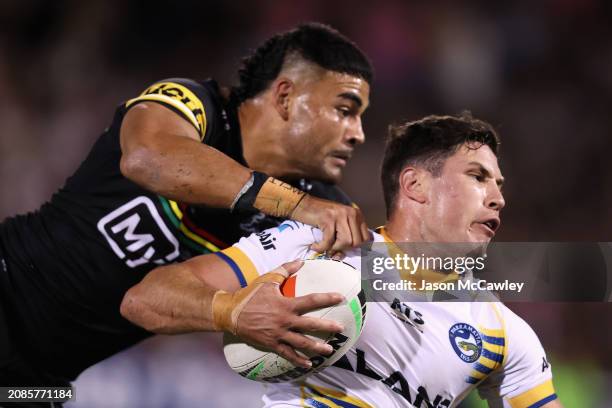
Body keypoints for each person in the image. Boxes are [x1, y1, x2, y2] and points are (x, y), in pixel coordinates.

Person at [0, 23, 373, 388]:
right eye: (345, 110)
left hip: (41, 381)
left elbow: (399, 273)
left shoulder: (324, 212)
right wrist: (297, 205)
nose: (358, 133)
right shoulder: (194, 104)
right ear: (285, 97)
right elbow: (146, 158)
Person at [126, 113, 562, 406]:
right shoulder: (315, 246)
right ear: (415, 185)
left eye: (499, 184)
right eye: (477, 177)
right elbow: (144, 300)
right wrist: (232, 311)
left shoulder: (505, 333)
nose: (499, 198)